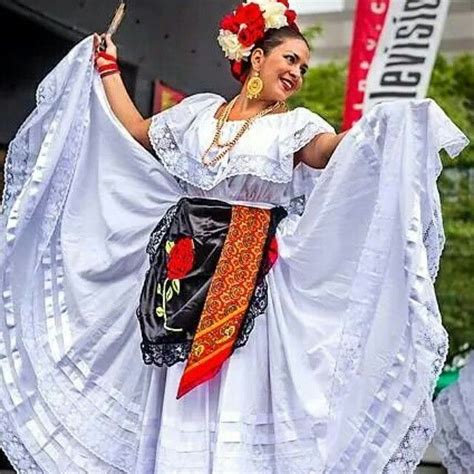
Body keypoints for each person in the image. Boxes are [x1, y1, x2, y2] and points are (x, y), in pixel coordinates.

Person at [0, 1, 468, 472]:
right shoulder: (199, 115)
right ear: (256, 58)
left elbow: (327, 152)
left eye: (303, 68)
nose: (297, 73)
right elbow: (141, 133)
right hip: (180, 271)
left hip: (245, 276)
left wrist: (380, 127)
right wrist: (107, 69)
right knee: (171, 380)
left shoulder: (294, 126)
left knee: (232, 388)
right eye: (290, 59)